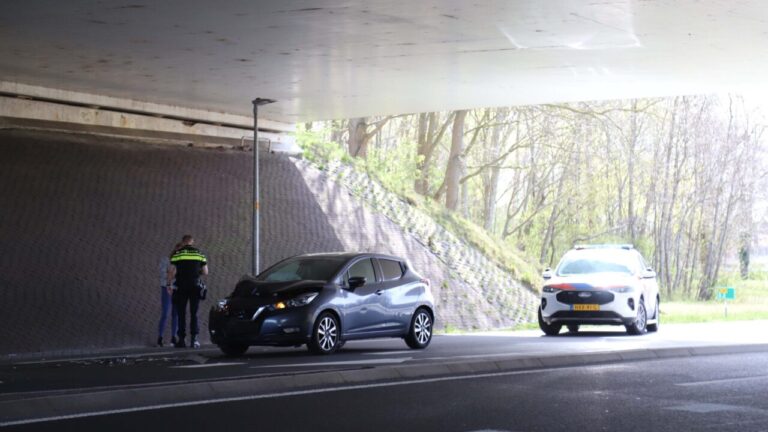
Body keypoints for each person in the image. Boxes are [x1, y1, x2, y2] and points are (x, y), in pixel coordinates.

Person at [167, 235, 208, 348]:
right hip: (195, 286)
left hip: (181, 286)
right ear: (192, 242)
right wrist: (195, 272)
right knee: (194, 313)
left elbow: (171, 271)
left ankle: (182, 340)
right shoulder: (199, 253)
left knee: (181, 313)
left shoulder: (178, 253)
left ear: (183, 242)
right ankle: (194, 340)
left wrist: (169, 285)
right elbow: (205, 272)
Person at [157, 243, 181, 347]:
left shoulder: (182, 262)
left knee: (176, 314)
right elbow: (162, 273)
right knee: (165, 312)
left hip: (177, 289)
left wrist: (171, 273)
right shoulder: (165, 260)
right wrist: (171, 274)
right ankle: (160, 337)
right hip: (166, 288)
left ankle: (173, 337)